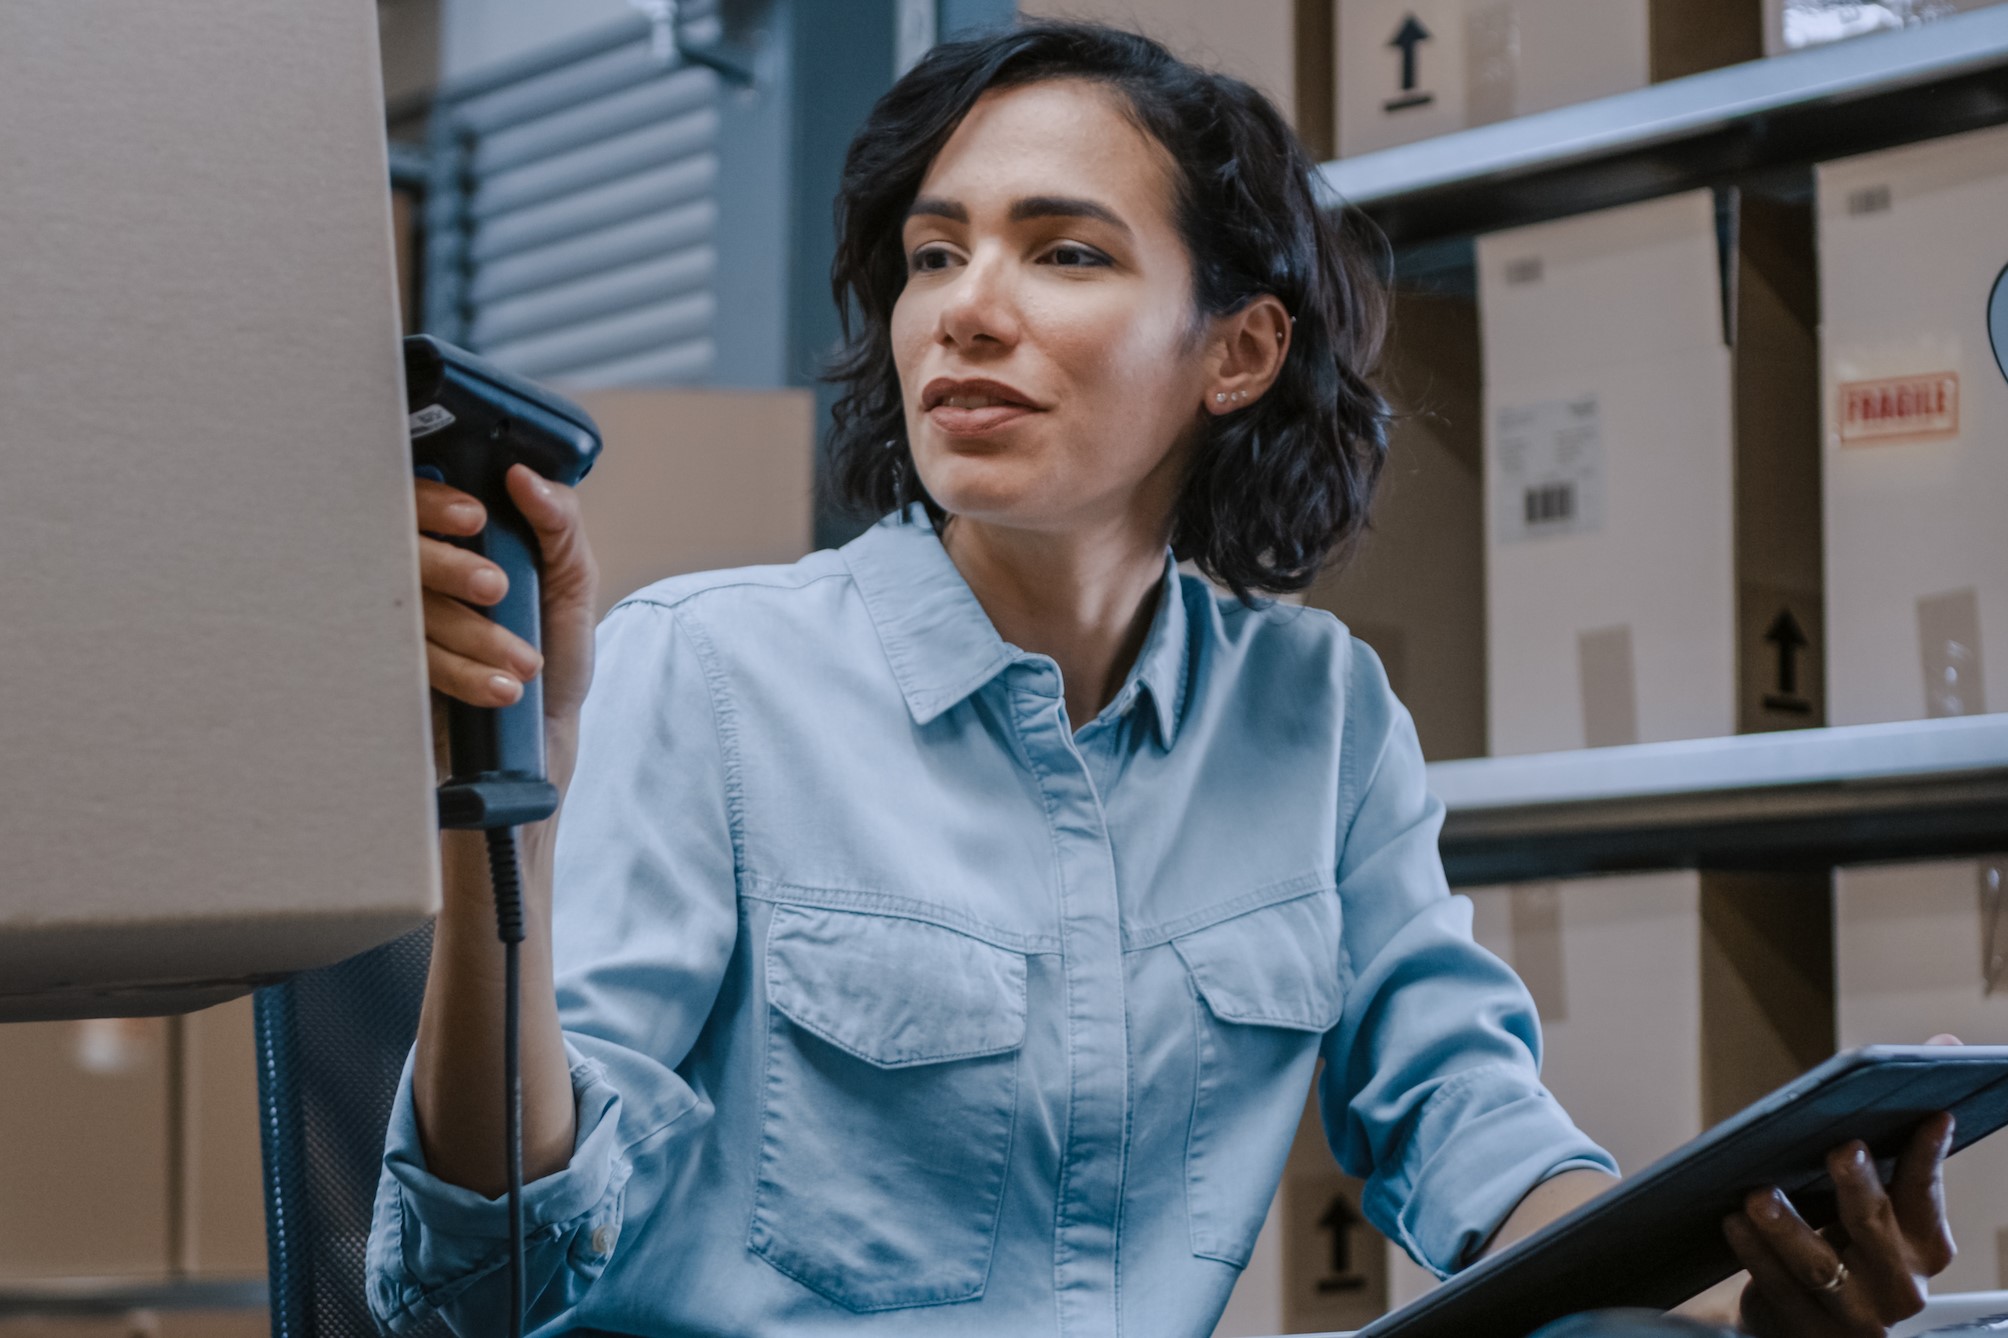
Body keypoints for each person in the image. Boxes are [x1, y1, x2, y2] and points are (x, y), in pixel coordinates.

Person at [368, 21, 1957, 1338]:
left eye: (1063, 251)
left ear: (1238, 351)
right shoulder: (707, 671)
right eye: (935, 255)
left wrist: (1722, 1297)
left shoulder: (1317, 717)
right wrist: (499, 809)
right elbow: (472, 1285)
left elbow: (1478, 1137)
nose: (967, 309)